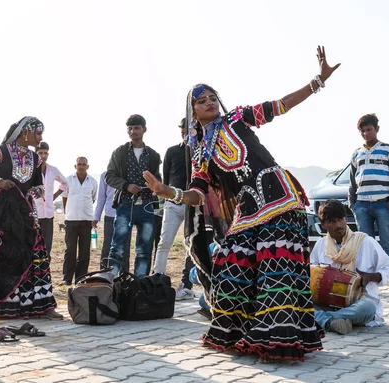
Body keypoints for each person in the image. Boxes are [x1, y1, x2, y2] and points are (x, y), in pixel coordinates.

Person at [144, 46, 339, 361]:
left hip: (279, 200)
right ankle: (244, 335)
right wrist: (170, 192)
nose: (209, 101)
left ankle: (279, 341)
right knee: (231, 265)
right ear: (193, 111)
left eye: (212, 97)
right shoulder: (200, 153)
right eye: (201, 100)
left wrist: (317, 81)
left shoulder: (237, 118)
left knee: (277, 270)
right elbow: (197, 193)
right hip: (247, 212)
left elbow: (280, 105)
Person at [0, 116, 62, 319]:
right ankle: (5, 307)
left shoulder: (35, 158)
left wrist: (37, 191)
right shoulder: (1, 152)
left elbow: (39, 184)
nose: (40, 138)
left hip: (25, 213)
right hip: (2, 215)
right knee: (7, 256)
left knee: (36, 254)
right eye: (38, 133)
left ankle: (42, 306)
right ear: (26, 132)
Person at [311, 200, 389, 334]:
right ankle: (335, 322)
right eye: (332, 221)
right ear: (323, 225)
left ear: (345, 219)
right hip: (327, 303)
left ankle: (325, 321)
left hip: (358, 302)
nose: (338, 225)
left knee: (368, 308)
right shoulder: (320, 245)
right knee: (302, 302)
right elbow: (311, 274)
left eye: (340, 219)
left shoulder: (366, 242)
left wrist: (371, 276)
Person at [349, 114, 389, 298]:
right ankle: (365, 287)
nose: (366, 133)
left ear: (376, 129)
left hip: (383, 205)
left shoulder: (388, 150)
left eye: (369, 129)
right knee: (365, 246)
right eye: (363, 131)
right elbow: (352, 181)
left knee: (388, 245)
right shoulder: (356, 153)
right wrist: (354, 203)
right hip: (362, 206)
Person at [105, 114, 161, 277]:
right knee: (117, 249)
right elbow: (109, 176)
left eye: (136, 127)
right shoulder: (120, 152)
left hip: (147, 206)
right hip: (124, 204)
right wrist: (126, 186)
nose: (133, 131)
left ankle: (140, 286)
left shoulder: (153, 155)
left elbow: (158, 178)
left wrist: (153, 183)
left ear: (144, 129)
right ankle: (112, 285)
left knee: (144, 250)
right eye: (130, 128)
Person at [152, 118, 196, 301]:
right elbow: (167, 178)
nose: (183, 131)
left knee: (191, 246)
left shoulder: (202, 152)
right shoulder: (171, 151)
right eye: (182, 128)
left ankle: (186, 285)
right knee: (164, 243)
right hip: (173, 203)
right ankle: (157, 282)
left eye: (187, 128)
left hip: (193, 205)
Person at [61, 157, 98, 285]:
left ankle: (81, 278)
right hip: (71, 220)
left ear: (87, 166)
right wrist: (68, 211)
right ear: (75, 166)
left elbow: (93, 199)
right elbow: (64, 197)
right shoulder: (68, 180)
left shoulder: (93, 182)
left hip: (86, 220)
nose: (81, 166)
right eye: (79, 164)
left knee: (84, 251)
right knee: (70, 250)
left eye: (84, 164)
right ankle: (67, 279)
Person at [35, 141, 68, 259]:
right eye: (40, 153)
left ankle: (45, 274)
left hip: (48, 214)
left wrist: (54, 195)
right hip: (34, 214)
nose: (43, 156)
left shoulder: (53, 170)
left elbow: (65, 183)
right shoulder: (31, 170)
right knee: (33, 246)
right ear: (35, 153)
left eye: (45, 153)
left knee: (47, 247)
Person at [92, 171, 131, 269]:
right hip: (110, 215)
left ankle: (123, 276)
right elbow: (101, 197)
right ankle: (104, 274)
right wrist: (96, 217)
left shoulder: (130, 173)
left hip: (126, 216)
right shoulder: (105, 175)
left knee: (125, 248)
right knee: (107, 247)